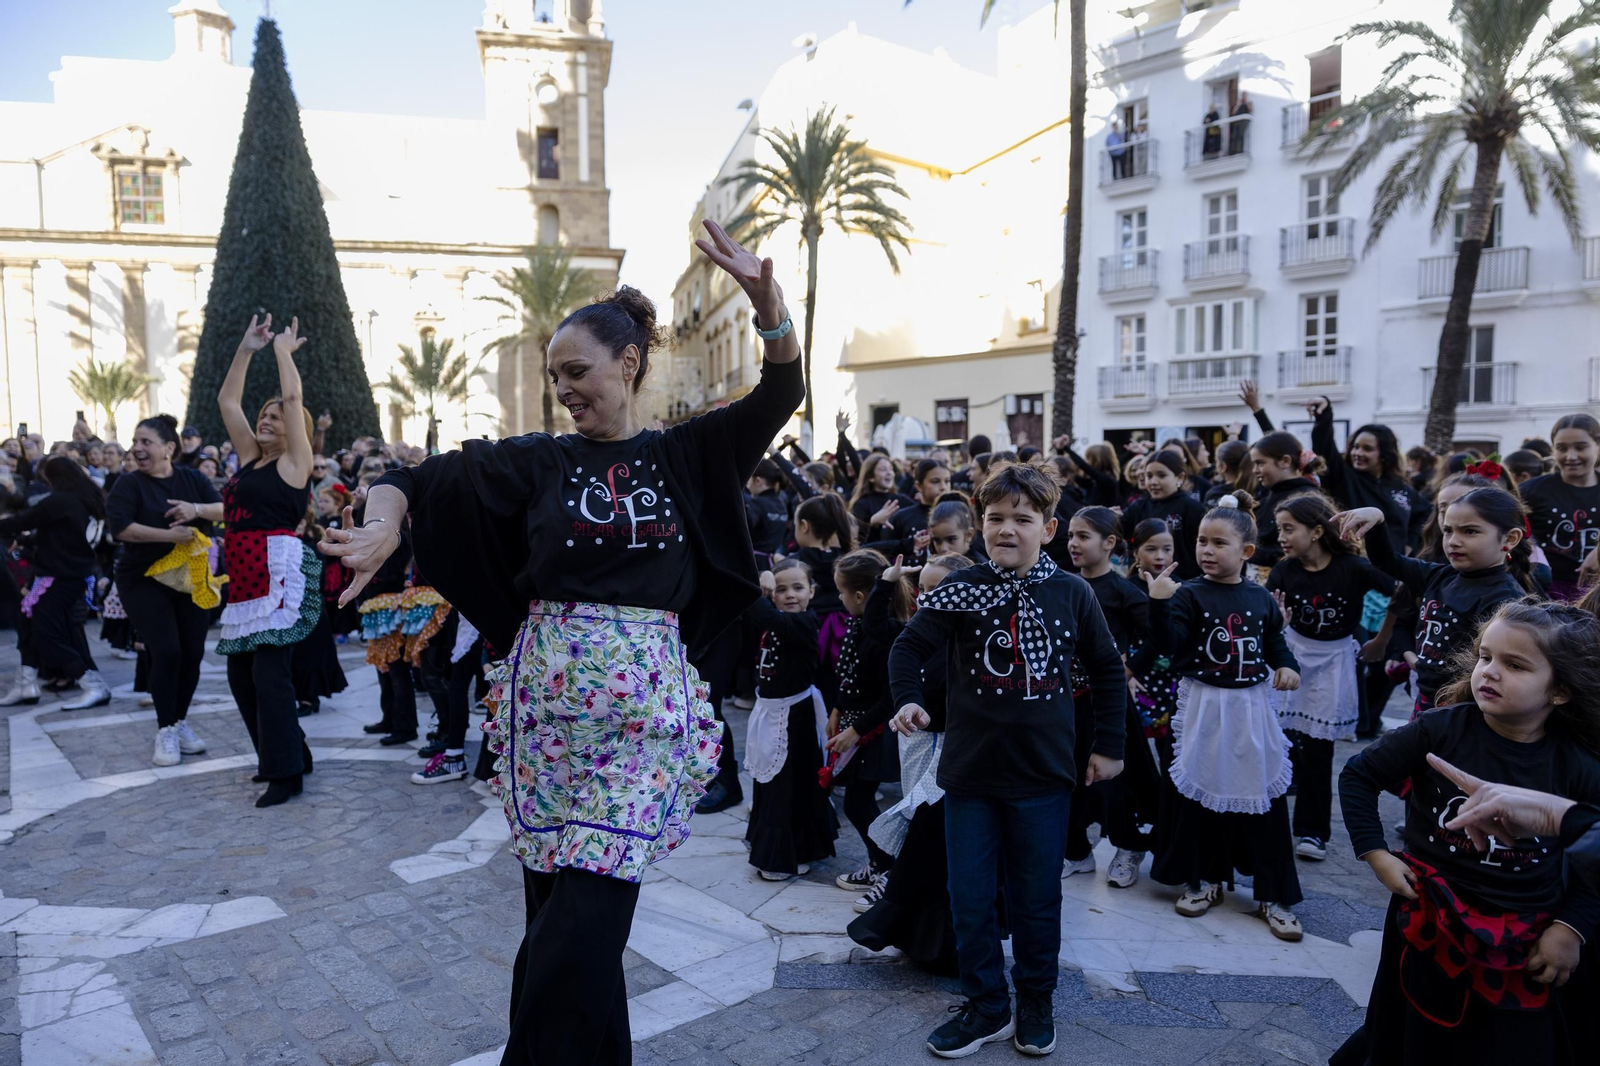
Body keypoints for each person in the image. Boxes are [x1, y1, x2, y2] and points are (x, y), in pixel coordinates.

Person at [320, 218, 801, 1066]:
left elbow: (778, 393)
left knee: (579, 928)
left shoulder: (689, 452)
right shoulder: (540, 460)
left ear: (629, 364)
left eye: (576, 371)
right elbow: (419, 480)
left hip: (644, 722)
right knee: (555, 922)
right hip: (545, 722)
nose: (563, 390)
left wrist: (766, 306)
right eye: (553, 377)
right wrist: (384, 525)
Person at [888, 461, 1126, 1058]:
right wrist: (909, 700)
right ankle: (987, 1006)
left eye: (1022, 519)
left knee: (1037, 897)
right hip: (969, 777)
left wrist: (1109, 746)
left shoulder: (1073, 593)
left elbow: (1105, 670)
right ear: (979, 527)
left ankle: (1036, 1002)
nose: (1006, 529)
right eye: (995, 518)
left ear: (1048, 528)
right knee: (970, 897)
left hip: (1044, 777)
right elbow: (907, 647)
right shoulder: (961, 591)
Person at [1333, 599, 1600, 1066]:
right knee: (1413, 1033)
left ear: (1559, 691)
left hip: (1526, 933)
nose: (1490, 672)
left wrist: (1569, 928)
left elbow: (1593, 861)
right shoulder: (1439, 730)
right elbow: (1358, 775)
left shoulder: (1578, 766)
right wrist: (1376, 854)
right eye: (1485, 657)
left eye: (1514, 665)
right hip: (1427, 917)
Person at [1144, 494, 1304, 941]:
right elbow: (1168, 645)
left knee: (1263, 797)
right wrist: (1158, 602)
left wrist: (1287, 664)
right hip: (1203, 707)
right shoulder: (1188, 594)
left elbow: (1274, 641)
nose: (1206, 550)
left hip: (1251, 709)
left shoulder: (1260, 598)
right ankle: (1205, 879)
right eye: (1201, 541)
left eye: (1219, 542)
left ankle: (1275, 894)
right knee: (1201, 794)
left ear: (1246, 551)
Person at [212, 315, 320, 807]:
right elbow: (227, 402)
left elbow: (293, 400)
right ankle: (287, 752)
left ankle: (286, 773)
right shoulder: (249, 458)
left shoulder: (294, 464)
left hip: (278, 571)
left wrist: (282, 352)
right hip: (243, 572)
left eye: (277, 416)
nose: (268, 418)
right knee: (240, 674)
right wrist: (245, 348)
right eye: (266, 414)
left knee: (268, 673)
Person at [847, 551, 970, 972]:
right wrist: (886, 582)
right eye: (924, 589)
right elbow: (877, 626)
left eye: (941, 589)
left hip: (955, 757)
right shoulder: (919, 632)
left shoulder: (968, 637)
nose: (927, 597)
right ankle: (912, 927)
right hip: (920, 750)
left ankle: (932, 934)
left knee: (933, 843)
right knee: (921, 837)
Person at [1265, 493, 1398, 860]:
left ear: (1318, 531)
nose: (1281, 537)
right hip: (1291, 656)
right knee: (1278, 744)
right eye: (1279, 529)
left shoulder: (1352, 569)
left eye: (1289, 529)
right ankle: (1266, 825)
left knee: (1319, 751)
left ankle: (1312, 833)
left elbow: (1401, 590)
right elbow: (1264, 617)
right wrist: (1275, 624)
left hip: (1333, 662)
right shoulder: (1282, 572)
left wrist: (1382, 638)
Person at [1338, 486, 1535, 717]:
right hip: (1426, 700)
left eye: (1470, 531)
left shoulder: (1506, 600)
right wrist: (1377, 521)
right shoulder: (1440, 576)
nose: (1453, 541)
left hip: (1463, 710)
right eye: (1448, 531)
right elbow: (1387, 561)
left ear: (1510, 538)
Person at [106, 415, 221, 767]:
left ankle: (180, 720)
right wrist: (171, 535)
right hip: (142, 578)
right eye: (135, 441)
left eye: (146, 442)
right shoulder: (129, 485)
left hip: (190, 576)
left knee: (192, 651)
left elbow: (227, 510)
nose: (138, 448)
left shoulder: (192, 479)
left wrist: (195, 509)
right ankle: (165, 729)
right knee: (167, 650)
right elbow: (121, 529)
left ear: (169, 448)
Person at [1062, 507, 1159, 889]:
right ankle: (1075, 851)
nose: (1073, 543)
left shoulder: (1123, 592)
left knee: (1114, 784)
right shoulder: (1066, 584)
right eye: (1071, 535)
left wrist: (1131, 667)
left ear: (1109, 543)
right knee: (1068, 780)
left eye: (1083, 536)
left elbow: (1160, 634)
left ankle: (1128, 847)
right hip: (1068, 704)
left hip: (1107, 706)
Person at [743, 559, 837, 880]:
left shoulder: (804, 623)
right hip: (770, 711)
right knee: (770, 785)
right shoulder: (778, 620)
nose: (790, 595)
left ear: (812, 591)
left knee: (791, 787)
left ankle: (793, 852)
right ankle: (768, 845)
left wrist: (761, 584)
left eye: (798, 587)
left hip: (795, 717)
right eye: (781, 589)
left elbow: (761, 612)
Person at [828, 548, 913, 900]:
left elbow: (888, 698)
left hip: (874, 733)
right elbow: (847, 674)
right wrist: (837, 710)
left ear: (861, 596)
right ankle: (880, 864)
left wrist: (856, 730)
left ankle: (889, 868)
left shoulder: (884, 637)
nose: (839, 598)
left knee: (859, 804)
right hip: (855, 724)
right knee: (856, 803)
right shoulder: (857, 626)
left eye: (842, 592)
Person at [0, 456, 110, 709]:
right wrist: (27, 542)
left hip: (59, 577)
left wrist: (17, 533)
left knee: (46, 633)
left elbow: (23, 521)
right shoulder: (86, 500)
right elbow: (61, 535)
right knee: (28, 624)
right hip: (67, 574)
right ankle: (26, 682)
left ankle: (91, 683)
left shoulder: (61, 501)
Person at [1522, 413, 1600, 601]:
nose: (1570, 456)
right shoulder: (1531, 490)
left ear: (1597, 446)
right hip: (1546, 595)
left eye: (1580, 447)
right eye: (1561, 448)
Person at [1127, 519, 1181, 770]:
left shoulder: (1181, 588)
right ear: (1136, 551)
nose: (1160, 556)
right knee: (1136, 749)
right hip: (1138, 677)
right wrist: (1128, 672)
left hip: (1172, 679)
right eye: (1151, 549)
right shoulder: (1127, 589)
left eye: (1167, 549)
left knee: (1171, 748)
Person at [1120, 451, 1209, 579]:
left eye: (1161, 475)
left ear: (1180, 478)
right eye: (1149, 476)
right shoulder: (1139, 506)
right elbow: (1120, 533)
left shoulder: (1191, 507)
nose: (1153, 482)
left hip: (1183, 583)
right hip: (1144, 582)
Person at [1249, 431, 1320, 570]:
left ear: (1285, 461)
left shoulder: (1305, 498)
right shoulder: (1268, 498)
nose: (1254, 470)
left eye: (1260, 463)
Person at [850, 453, 917, 542]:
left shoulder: (902, 500)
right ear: (871, 477)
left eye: (891, 469)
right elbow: (857, 540)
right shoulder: (862, 504)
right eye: (883, 469)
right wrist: (872, 523)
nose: (889, 473)